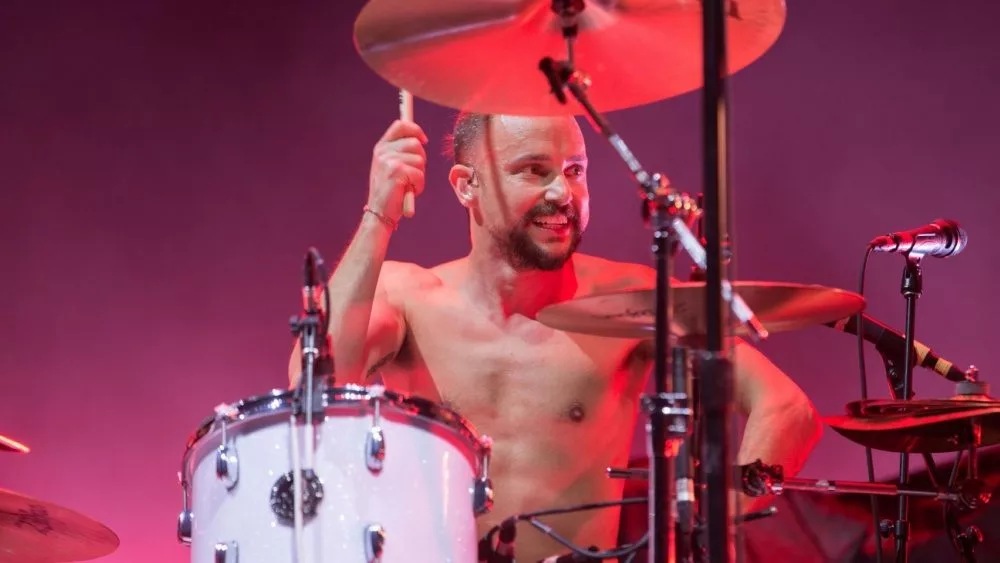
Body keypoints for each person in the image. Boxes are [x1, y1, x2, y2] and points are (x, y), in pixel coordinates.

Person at [289, 112, 823, 562]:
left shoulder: (630, 301)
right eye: (533, 170)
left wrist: (713, 523)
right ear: (466, 185)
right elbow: (312, 385)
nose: (561, 192)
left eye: (575, 170)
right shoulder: (406, 295)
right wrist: (379, 214)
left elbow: (787, 408)